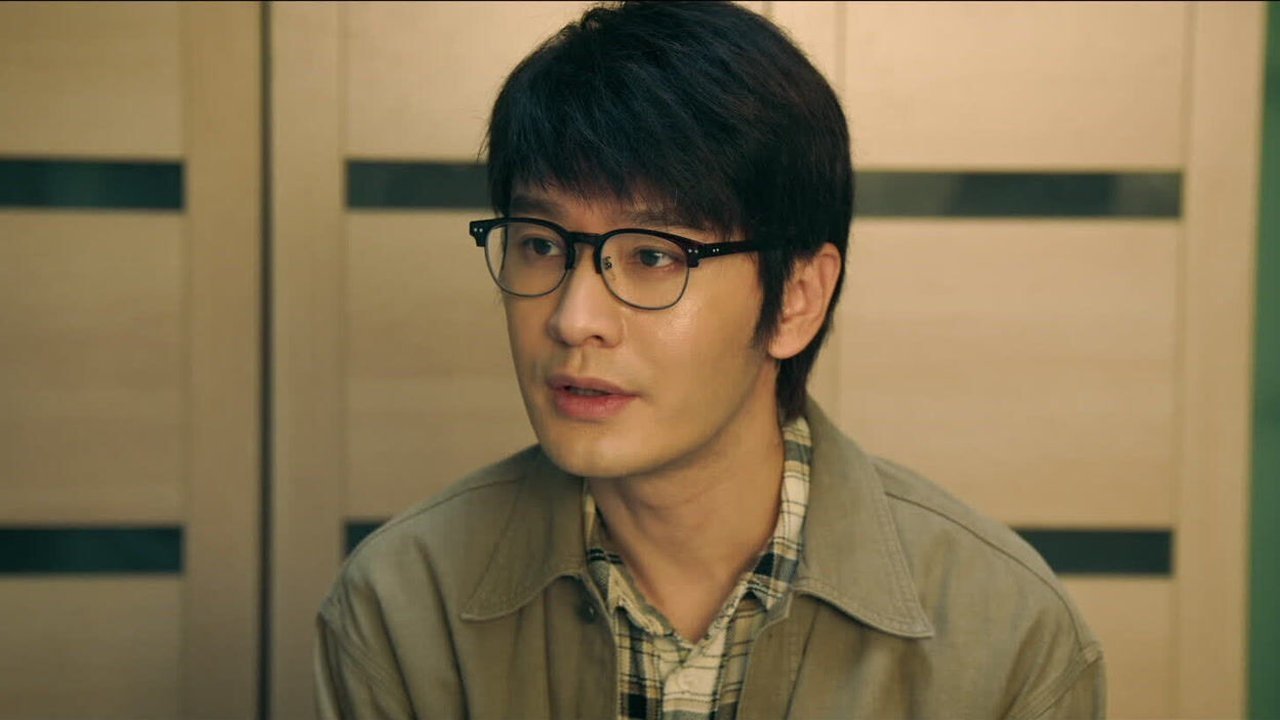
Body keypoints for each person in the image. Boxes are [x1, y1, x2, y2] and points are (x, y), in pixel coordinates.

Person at [314, 2, 1105, 718]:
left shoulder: (1008, 638)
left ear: (796, 299)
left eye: (654, 256)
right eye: (542, 244)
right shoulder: (399, 607)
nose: (572, 319)